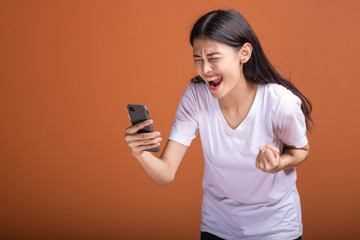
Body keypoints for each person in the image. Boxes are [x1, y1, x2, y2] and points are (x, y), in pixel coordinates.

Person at [124, 9, 312, 240]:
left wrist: (278, 163)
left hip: (276, 227)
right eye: (197, 59)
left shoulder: (279, 102)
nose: (204, 70)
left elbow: (301, 150)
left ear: (244, 53)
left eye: (213, 58)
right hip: (218, 226)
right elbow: (165, 174)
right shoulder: (196, 95)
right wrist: (139, 152)